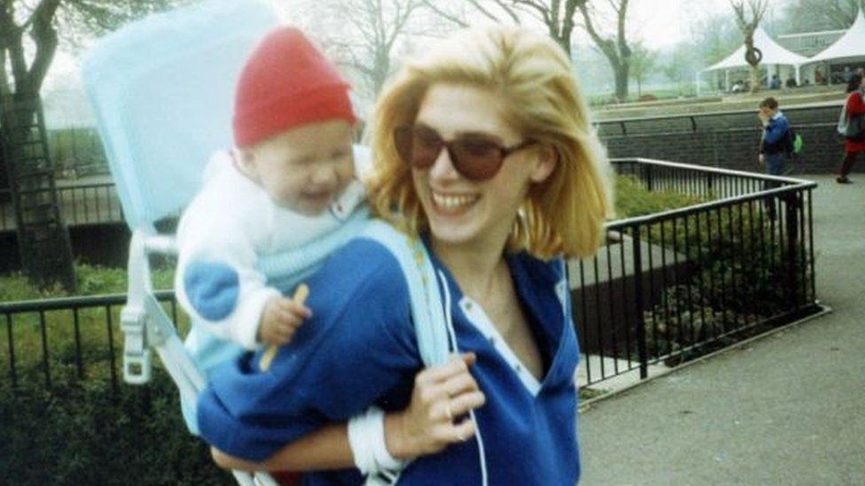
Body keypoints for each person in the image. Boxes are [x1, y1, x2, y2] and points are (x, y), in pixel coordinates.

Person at [198, 25, 611, 484]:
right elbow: (231, 440)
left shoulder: (536, 262)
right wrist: (395, 435)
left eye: (476, 150)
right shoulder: (377, 289)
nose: (441, 172)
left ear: (543, 159)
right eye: (425, 142)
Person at [175, 27, 477, 485]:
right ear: (250, 159)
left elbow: (388, 183)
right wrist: (255, 311)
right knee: (293, 442)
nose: (325, 175)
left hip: (325, 334)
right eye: (302, 162)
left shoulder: (353, 168)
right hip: (244, 354)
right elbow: (207, 279)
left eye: (338, 153)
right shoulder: (228, 209)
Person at [758, 97, 791, 219]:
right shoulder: (771, 121)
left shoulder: (781, 121)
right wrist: (762, 152)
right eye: (763, 112)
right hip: (770, 156)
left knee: (771, 187)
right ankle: (772, 212)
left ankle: (792, 202)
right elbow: (764, 138)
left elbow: (771, 139)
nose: (764, 114)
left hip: (777, 156)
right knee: (770, 186)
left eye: (766, 111)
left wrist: (765, 124)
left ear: (775, 109)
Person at [837, 73, 865, 184]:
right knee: (851, 154)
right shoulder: (856, 95)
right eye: (863, 80)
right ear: (859, 82)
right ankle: (842, 175)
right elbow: (853, 109)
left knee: (851, 154)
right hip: (857, 130)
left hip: (856, 130)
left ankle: (842, 175)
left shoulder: (855, 94)